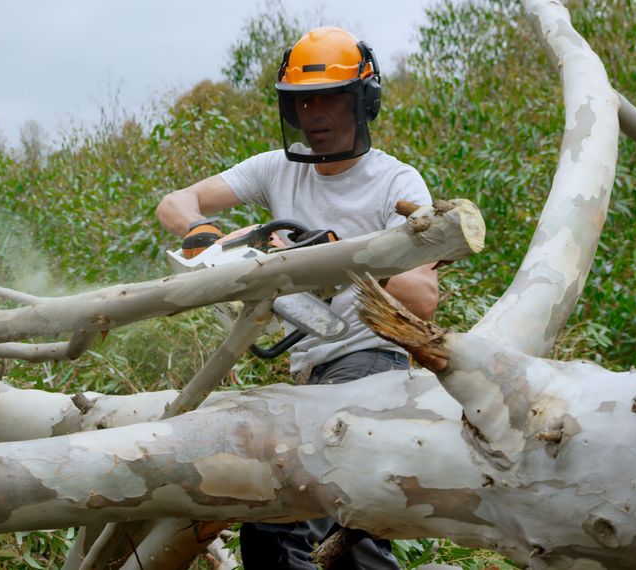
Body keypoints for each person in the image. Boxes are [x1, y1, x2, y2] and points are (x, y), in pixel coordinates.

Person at [155, 27, 438, 569]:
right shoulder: (275, 168)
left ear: (364, 102)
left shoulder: (396, 184)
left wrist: (334, 257)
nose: (315, 112)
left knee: (281, 517)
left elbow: (423, 297)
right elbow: (176, 202)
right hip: (313, 372)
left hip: (371, 367)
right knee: (343, 533)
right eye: (303, 100)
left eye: (330, 97)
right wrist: (204, 231)